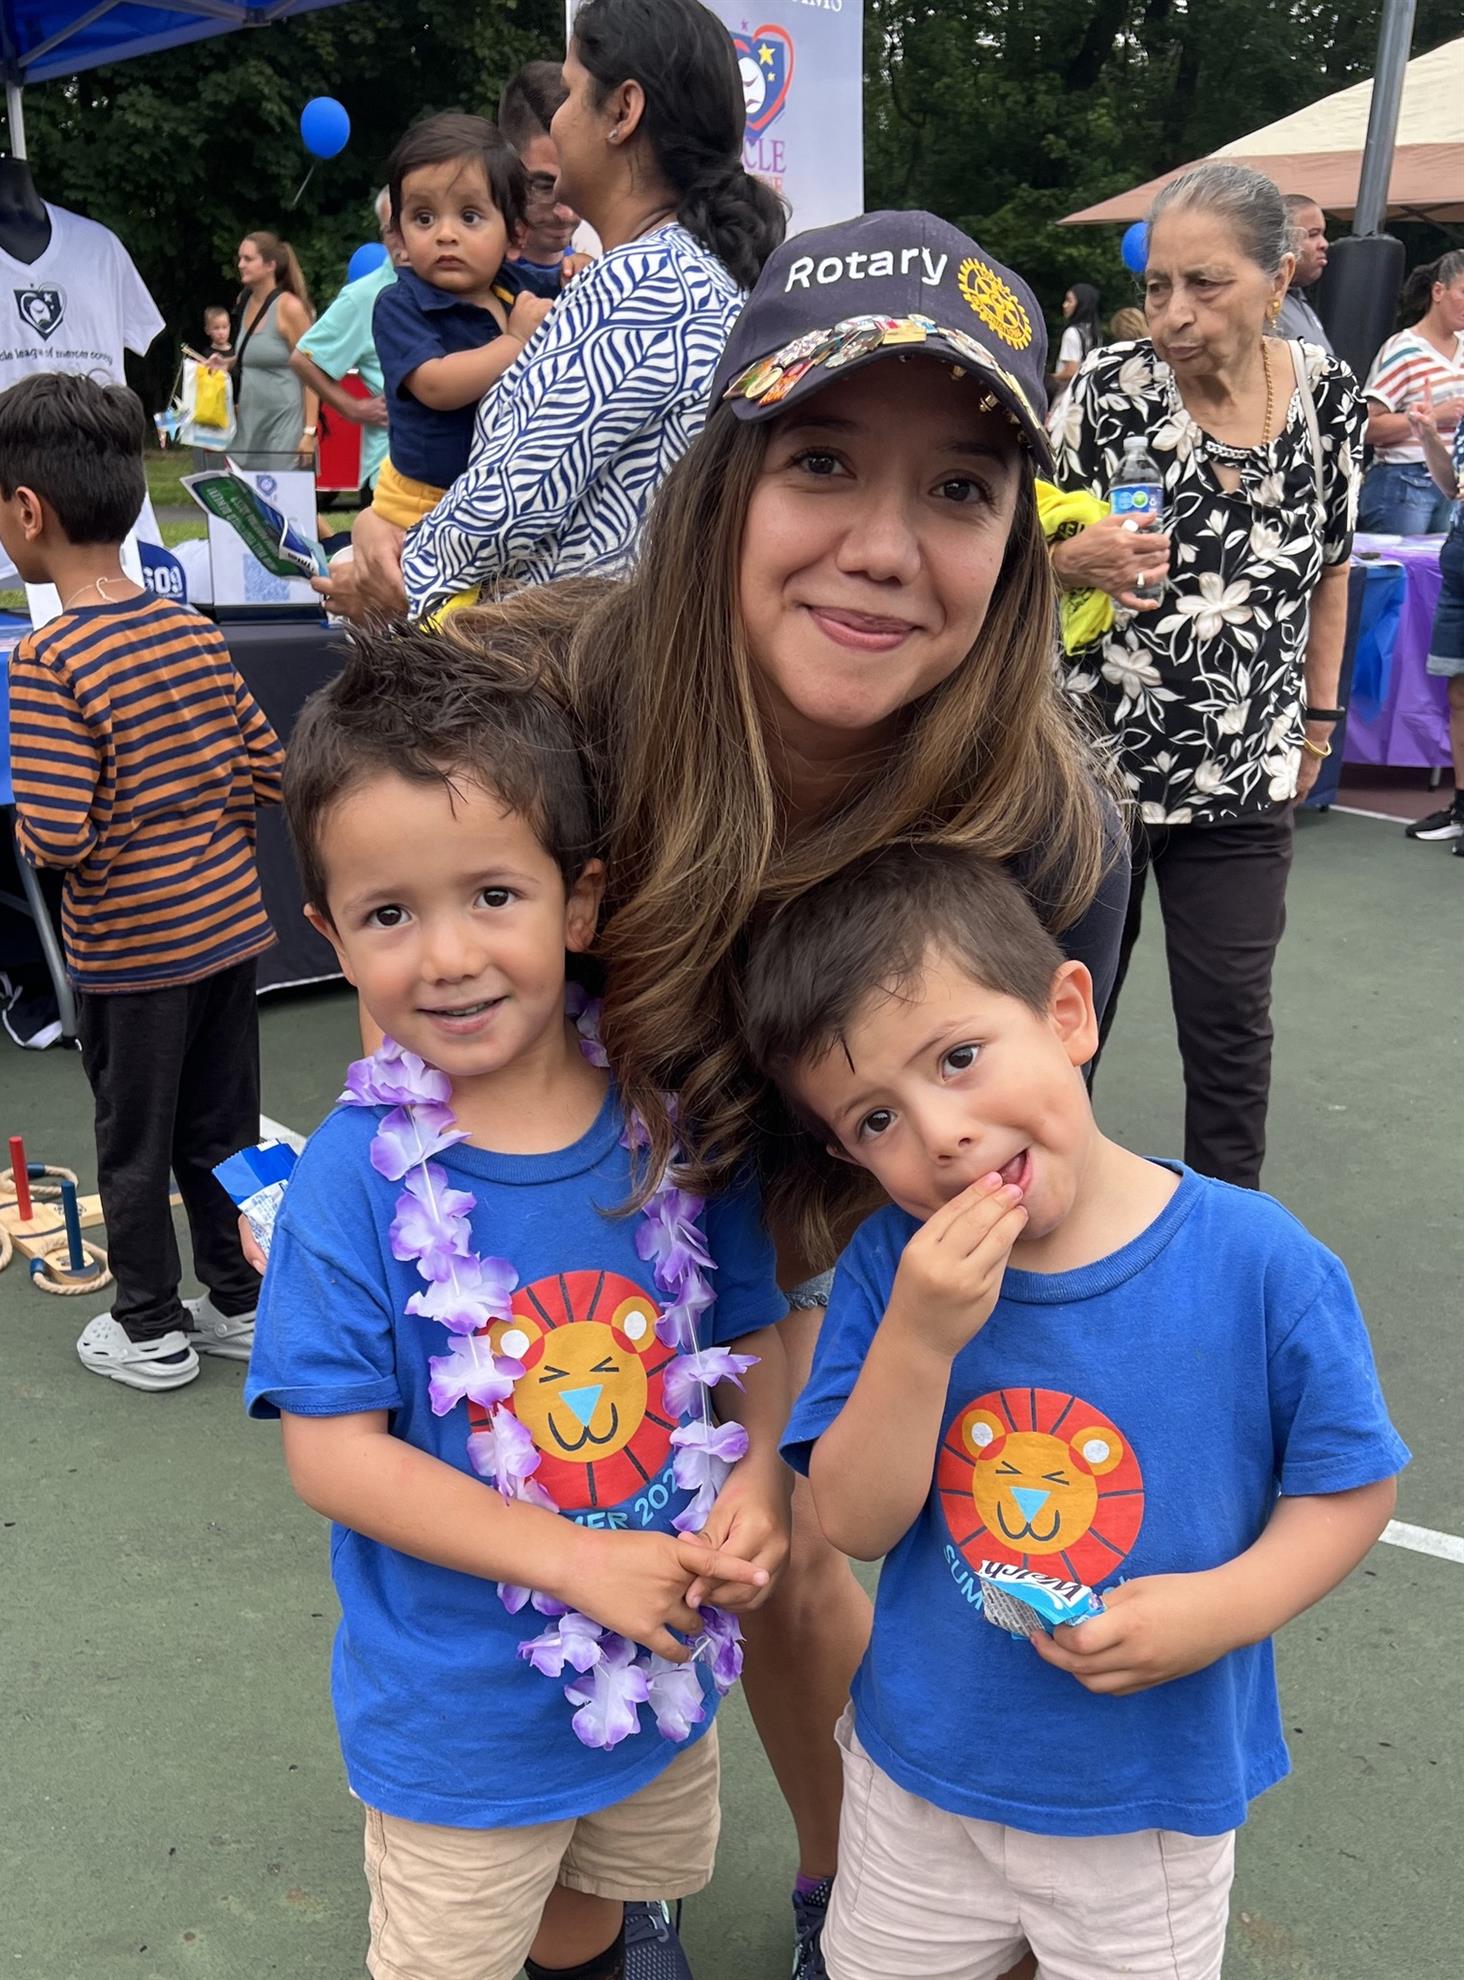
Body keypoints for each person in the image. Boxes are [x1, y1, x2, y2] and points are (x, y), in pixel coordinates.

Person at [239, 208, 1127, 1980]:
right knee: (636, 1529)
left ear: (1015, 542)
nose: (883, 548)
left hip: (843, 1204)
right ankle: (606, 1871)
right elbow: (402, 909)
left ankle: (871, 1906)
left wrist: (874, 1366)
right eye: (822, 461)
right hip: (597, 1206)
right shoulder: (545, 692)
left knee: (868, 1537)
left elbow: (1037, 1156)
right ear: (724, 480)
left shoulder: (1045, 825)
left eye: (961, 489)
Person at [746, 842, 1406, 1980]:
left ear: (1067, 1014)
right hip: (920, 1784)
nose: (940, 1135)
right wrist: (919, 1339)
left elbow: (1349, 1488)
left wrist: (1222, 1609)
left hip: (1147, 1800)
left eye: (958, 1058)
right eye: (875, 1121)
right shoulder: (889, 1269)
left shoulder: (1260, 1263)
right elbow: (853, 1522)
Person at [247, 620, 791, 1980]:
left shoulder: (670, 1126)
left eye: (493, 894)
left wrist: (761, 1479)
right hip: (462, 1719)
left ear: (580, 901)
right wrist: (570, 1560)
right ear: (330, 937)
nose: (446, 955)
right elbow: (332, 1455)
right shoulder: (351, 1182)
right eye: (389, 914)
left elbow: (753, 1329)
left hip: (651, 1668)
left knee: (598, 1905)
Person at [1050, 161, 1362, 1191]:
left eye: (1205, 283)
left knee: (1231, 1027)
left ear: (1277, 280)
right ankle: (1044, 1215)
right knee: (1065, 1018)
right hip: (1092, 770)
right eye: (1157, 287)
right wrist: (1071, 559)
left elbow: (1332, 570)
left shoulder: (1326, 398)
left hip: (1243, 775)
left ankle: (1234, 1234)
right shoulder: (1106, 392)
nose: (1174, 314)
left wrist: (1319, 722)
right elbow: (1002, 540)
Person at [0, 371, 284, 1392]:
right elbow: (270, 766)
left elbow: (59, 834)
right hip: (228, 932)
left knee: (134, 1145)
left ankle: (149, 1326)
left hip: (133, 952)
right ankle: (239, 1300)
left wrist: (37, 833)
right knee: (225, 1130)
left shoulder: (47, 658)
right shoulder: (192, 629)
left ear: (28, 511)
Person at [321, 0, 785, 622]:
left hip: (563, 668)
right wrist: (380, 522)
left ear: (622, 112)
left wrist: (380, 575)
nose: (557, 121)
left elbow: (506, 503)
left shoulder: (645, 285)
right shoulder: (694, 273)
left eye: (567, 95)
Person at [369, 112, 556, 532]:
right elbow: (436, 385)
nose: (445, 234)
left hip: (491, 494)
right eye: (424, 218)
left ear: (515, 236)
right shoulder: (401, 305)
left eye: (469, 217)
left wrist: (576, 269)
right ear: (398, 236)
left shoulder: (516, 288)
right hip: (422, 504)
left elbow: (569, 295)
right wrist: (514, 344)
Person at [289, 189, 398, 505]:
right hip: (390, 475)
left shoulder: (457, 283)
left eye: (419, 220)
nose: (404, 236)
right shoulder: (364, 295)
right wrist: (353, 408)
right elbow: (304, 359)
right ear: (383, 233)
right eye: (393, 227)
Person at [1359, 249, 1464, 536]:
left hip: (1454, 484)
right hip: (1404, 480)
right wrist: (1434, 417)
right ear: (1438, 291)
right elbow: (1365, 425)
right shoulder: (1404, 350)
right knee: (1401, 562)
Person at [1401, 382, 1464, 854]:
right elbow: (1451, 488)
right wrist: (1428, 437)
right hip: (1459, 557)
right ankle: (1462, 808)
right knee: (1459, 694)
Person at [232, 229, 318, 468]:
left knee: (280, 489)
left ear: (270, 265)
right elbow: (255, 355)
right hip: (250, 425)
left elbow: (313, 373)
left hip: (285, 425)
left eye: (248, 259)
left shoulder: (289, 308)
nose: (240, 265)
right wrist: (226, 363)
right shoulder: (243, 301)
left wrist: (309, 432)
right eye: (240, 258)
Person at [499, 59, 585, 284]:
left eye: (580, 185)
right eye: (545, 187)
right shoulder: (458, 289)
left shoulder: (594, 281)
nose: (566, 214)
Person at [1273, 194, 1331, 351]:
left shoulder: (1296, 297)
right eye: (1313, 234)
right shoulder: (1261, 303)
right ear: (1281, 240)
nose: (1324, 244)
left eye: (1322, 234)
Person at [1051, 281, 1100, 386]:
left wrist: (1048, 379)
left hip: (1066, 391)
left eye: (1069, 301)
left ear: (1081, 305)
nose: (1064, 305)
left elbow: (1071, 371)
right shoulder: (1094, 333)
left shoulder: (1072, 333)